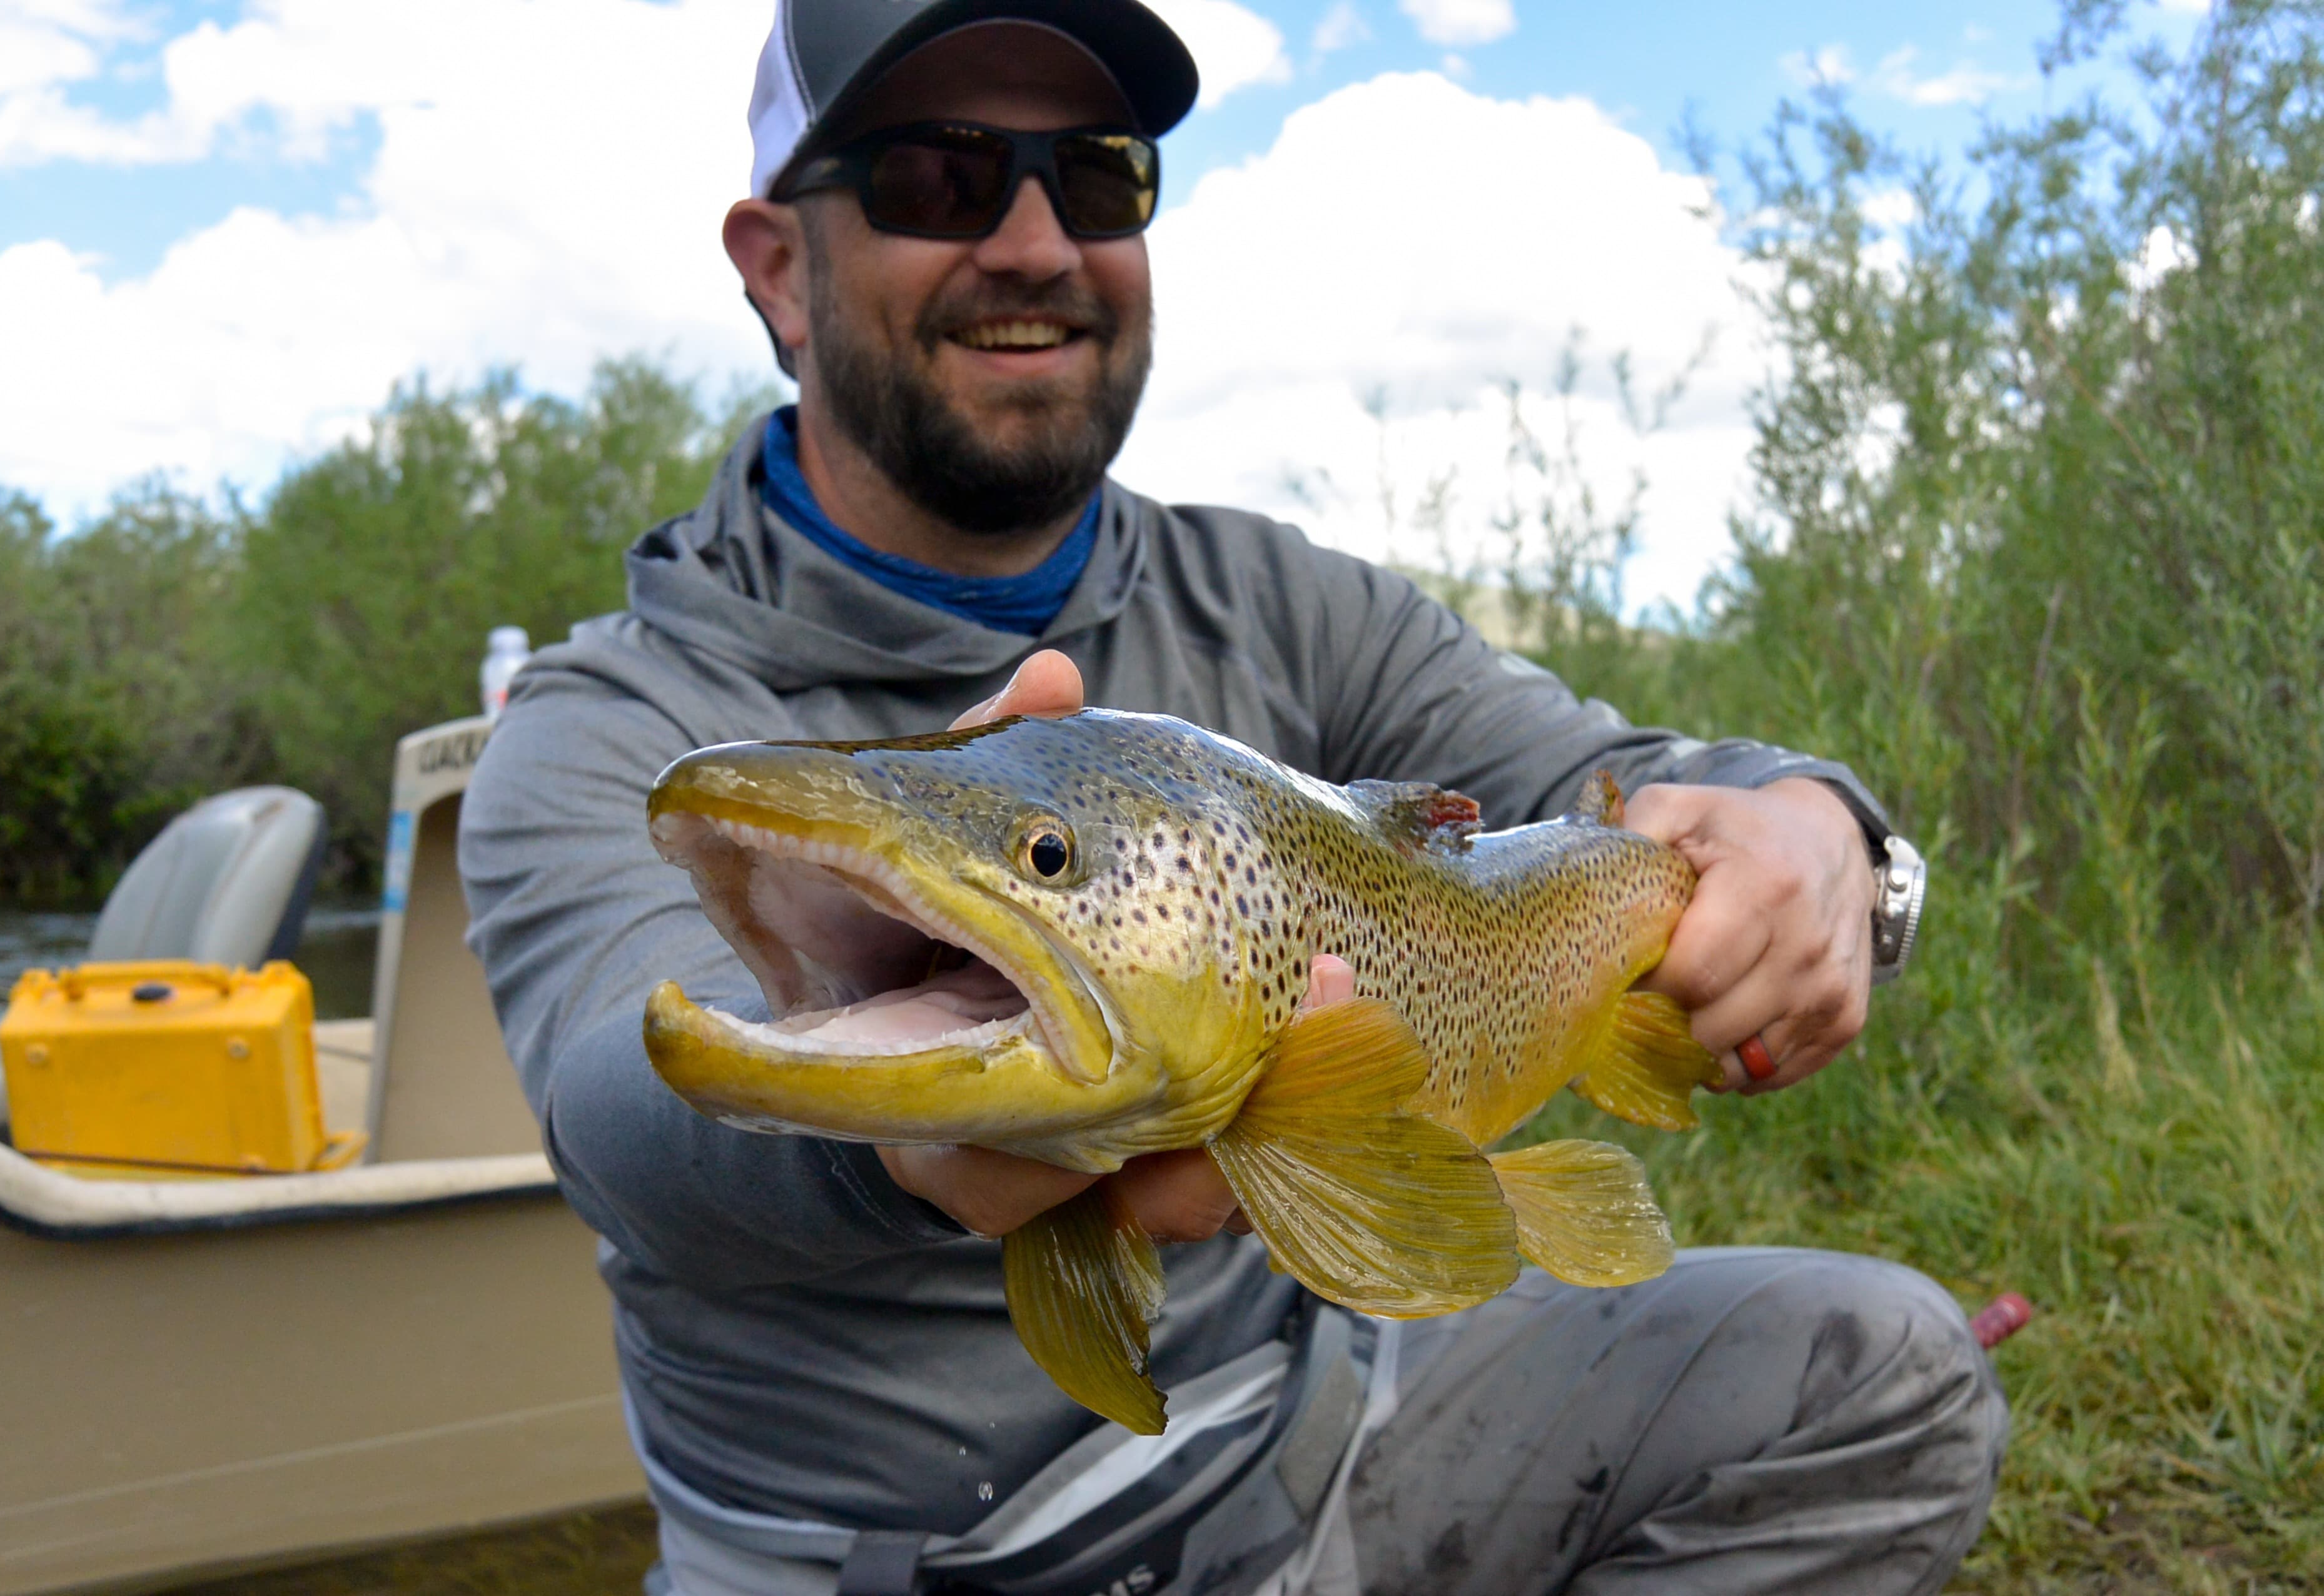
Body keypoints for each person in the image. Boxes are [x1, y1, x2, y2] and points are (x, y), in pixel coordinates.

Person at [460, 1, 2006, 1591]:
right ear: (778, 264)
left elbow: (1629, 786)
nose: (1035, 243)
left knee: (1882, 1368)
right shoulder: (608, 726)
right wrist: (893, 1146)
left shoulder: (1278, 600)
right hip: (878, 1561)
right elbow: (622, 1101)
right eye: (941, 174)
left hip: (1311, 1450)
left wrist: (1825, 834)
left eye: (1099, 177)